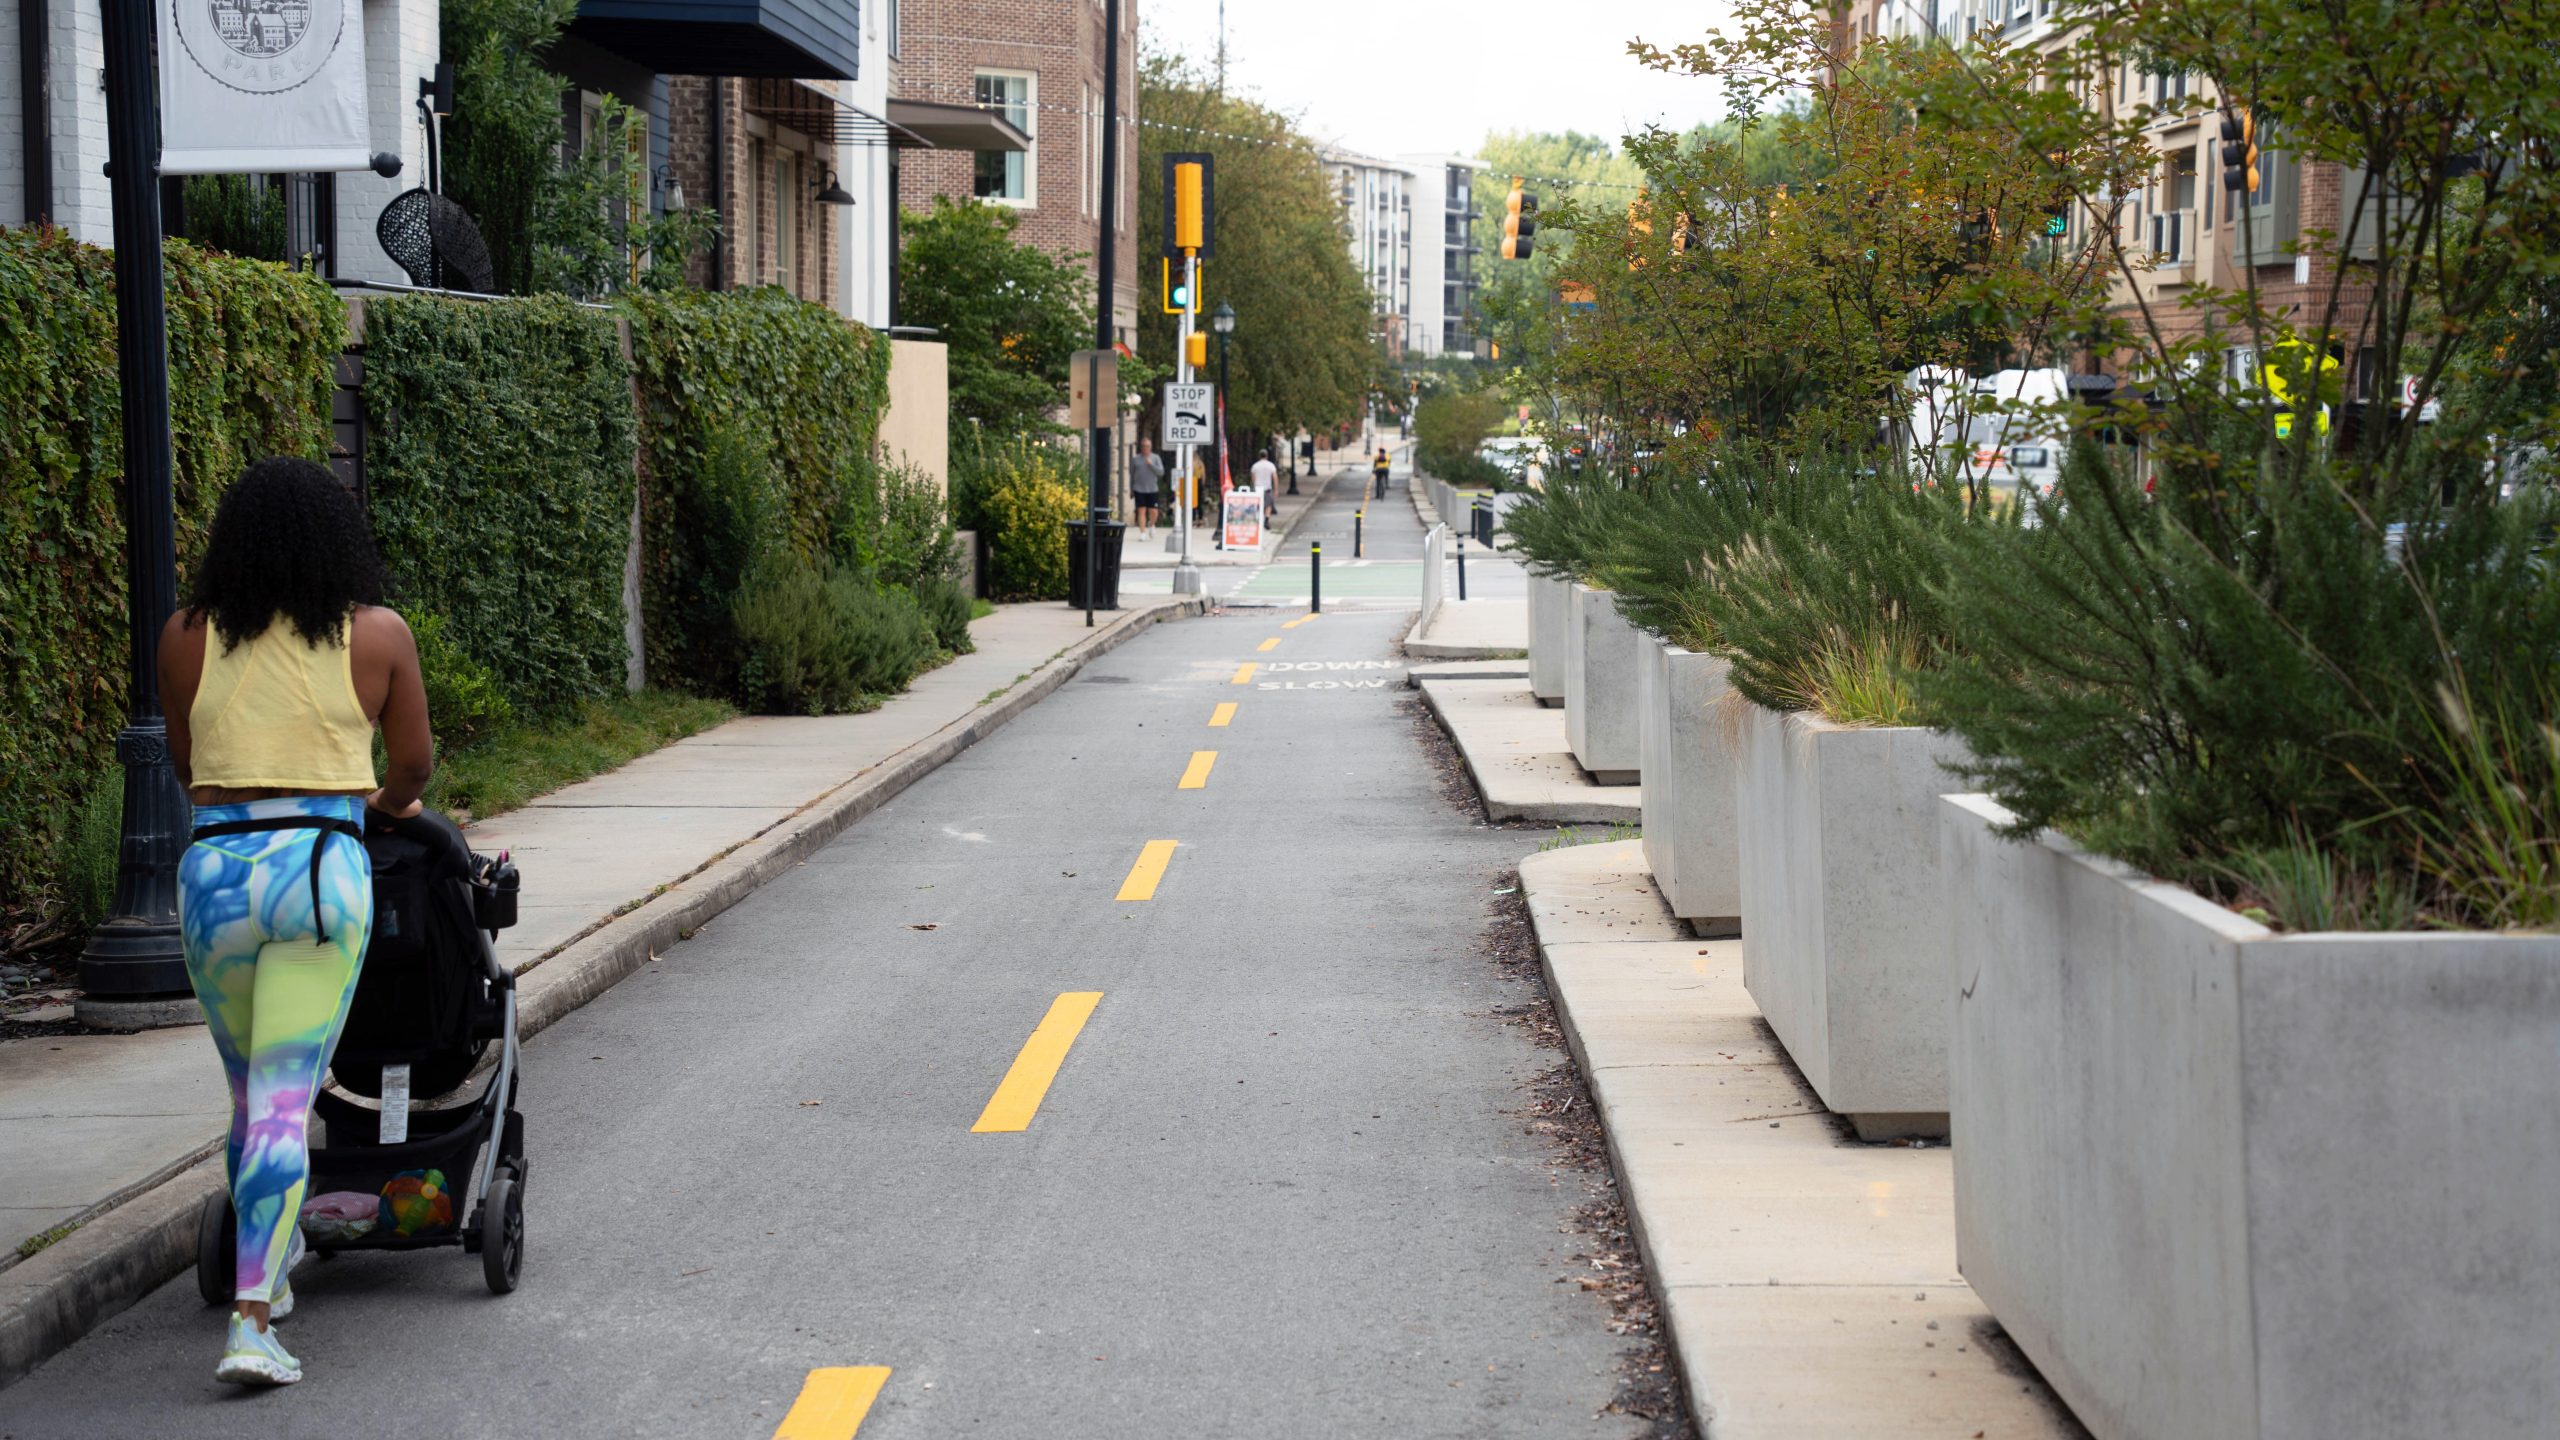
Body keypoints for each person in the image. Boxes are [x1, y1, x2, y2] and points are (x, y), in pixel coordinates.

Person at [157, 457, 434, 1387]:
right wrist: (378, 808)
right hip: (317, 873)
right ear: (336, 542)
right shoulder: (377, 634)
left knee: (249, 1098)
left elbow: (190, 768)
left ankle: (269, 1279)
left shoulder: (185, 636)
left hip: (215, 878)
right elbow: (413, 767)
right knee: (287, 1099)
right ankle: (250, 1325)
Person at [1130, 436, 1164, 538]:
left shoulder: (1155, 458)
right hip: (1139, 489)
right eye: (1144, 446)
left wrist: (1151, 465)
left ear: (1151, 447)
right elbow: (1132, 475)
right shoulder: (1135, 459)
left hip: (1152, 489)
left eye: (1148, 446)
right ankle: (1143, 533)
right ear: (1141, 447)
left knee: (1154, 511)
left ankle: (1152, 524)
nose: (1146, 448)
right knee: (1141, 511)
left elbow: (1161, 472)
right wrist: (1131, 489)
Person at [1250, 448, 1279, 522]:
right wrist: (1276, 489)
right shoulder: (1271, 465)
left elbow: (1253, 478)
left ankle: (1259, 519)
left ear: (1259, 456)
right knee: (1268, 505)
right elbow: (1275, 478)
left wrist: (1253, 487)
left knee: (1258, 504)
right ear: (1267, 456)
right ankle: (1266, 519)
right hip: (1267, 488)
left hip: (1257, 488)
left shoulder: (1255, 466)